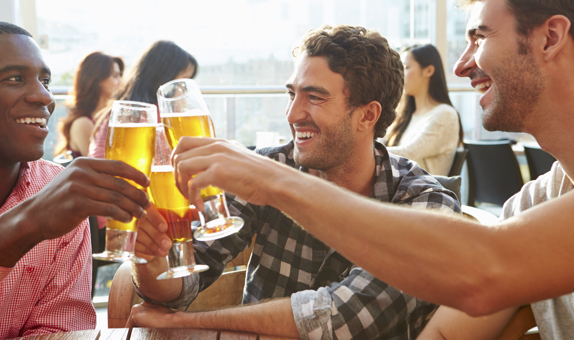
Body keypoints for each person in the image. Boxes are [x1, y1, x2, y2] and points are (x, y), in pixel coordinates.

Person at [166, 0, 574, 334]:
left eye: (479, 36)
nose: (461, 66)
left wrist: (273, 180)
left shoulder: (427, 195)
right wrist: (155, 262)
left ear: (550, 38)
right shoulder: (534, 204)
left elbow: (482, 268)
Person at [129, 25, 460, 340]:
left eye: (314, 97)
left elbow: (338, 321)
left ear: (367, 115)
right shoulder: (271, 165)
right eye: (292, 93)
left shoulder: (426, 204)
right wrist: (151, 260)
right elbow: (185, 281)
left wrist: (185, 324)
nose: (292, 114)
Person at [0, 21, 151, 338]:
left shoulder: (58, 189)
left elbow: (59, 329)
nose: (44, 97)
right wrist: (25, 224)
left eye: (46, 81)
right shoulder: (55, 200)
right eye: (14, 78)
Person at [87, 41, 197, 236]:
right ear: (165, 78)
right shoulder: (153, 115)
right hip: (124, 216)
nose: (184, 92)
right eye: (182, 82)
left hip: (100, 213)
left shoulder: (121, 110)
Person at [384, 44, 463, 176]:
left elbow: (409, 153)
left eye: (406, 67)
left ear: (428, 71)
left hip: (422, 194)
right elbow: (383, 142)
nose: (400, 74)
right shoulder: (405, 115)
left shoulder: (445, 114)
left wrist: (364, 152)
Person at [54, 52, 124, 158]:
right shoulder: (83, 123)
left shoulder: (108, 118)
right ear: (97, 79)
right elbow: (101, 167)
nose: (120, 81)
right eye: (115, 76)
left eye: (120, 76)